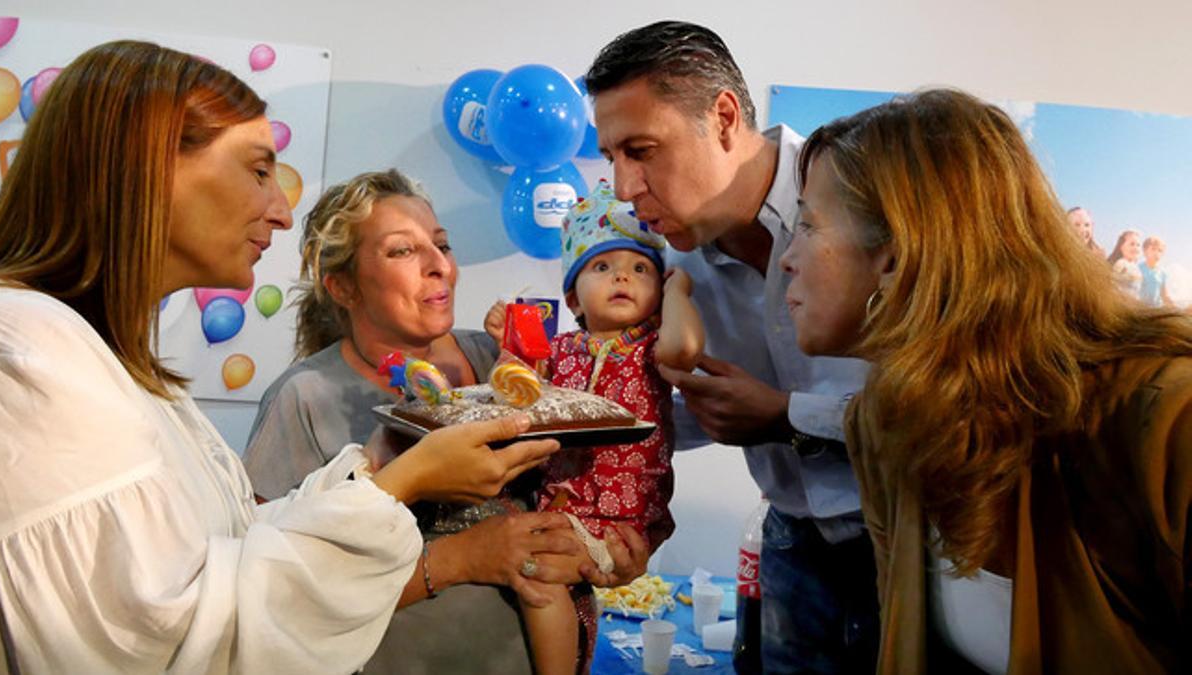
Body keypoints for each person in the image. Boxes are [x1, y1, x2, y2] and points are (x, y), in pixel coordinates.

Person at [0, 41, 564, 674]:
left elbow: (241, 546)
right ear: (149, 166)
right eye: (259, 170)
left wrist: (383, 466)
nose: (283, 212)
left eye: (442, 244)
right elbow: (171, 639)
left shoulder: (120, 363)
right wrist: (408, 488)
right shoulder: (26, 351)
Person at [779, 88, 1191, 674]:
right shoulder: (881, 426)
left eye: (807, 225)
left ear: (897, 257)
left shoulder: (1166, 419)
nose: (787, 258)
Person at [243, 170, 651, 674]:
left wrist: (607, 551)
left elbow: (580, 483)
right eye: (401, 251)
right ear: (343, 286)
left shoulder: (501, 362)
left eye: (441, 244)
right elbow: (277, 593)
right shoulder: (303, 398)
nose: (439, 266)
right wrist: (463, 557)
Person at [585, 20, 879, 672]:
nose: (625, 188)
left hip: (909, 543)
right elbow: (692, 410)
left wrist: (784, 414)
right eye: (612, 158)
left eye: (642, 150)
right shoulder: (672, 261)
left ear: (721, 119)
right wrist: (589, 423)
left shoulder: (869, 194)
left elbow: (947, 396)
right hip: (789, 543)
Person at [485, 179, 705, 674]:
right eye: (602, 267)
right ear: (575, 300)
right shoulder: (560, 349)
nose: (622, 277)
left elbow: (686, 349)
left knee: (540, 577)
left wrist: (680, 288)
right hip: (562, 504)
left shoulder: (652, 347)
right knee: (535, 570)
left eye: (641, 268)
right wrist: (509, 345)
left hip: (622, 521)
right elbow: (515, 397)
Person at [1107, 228, 1145, 299]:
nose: (1135, 248)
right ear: (1121, 247)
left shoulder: (1135, 266)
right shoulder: (1121, 264)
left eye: (1138, 245)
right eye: (1132, 244)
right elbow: (1113, 285)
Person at [1139, 235, 1174, 307]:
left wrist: (1172, 305)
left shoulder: (1162, 273)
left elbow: (1164, 294)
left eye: (1160, 250)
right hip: (1140, 308)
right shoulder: (1138, 269)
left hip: (1156, 309)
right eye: (1153, 249)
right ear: (1145, 251)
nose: (1156, 253)